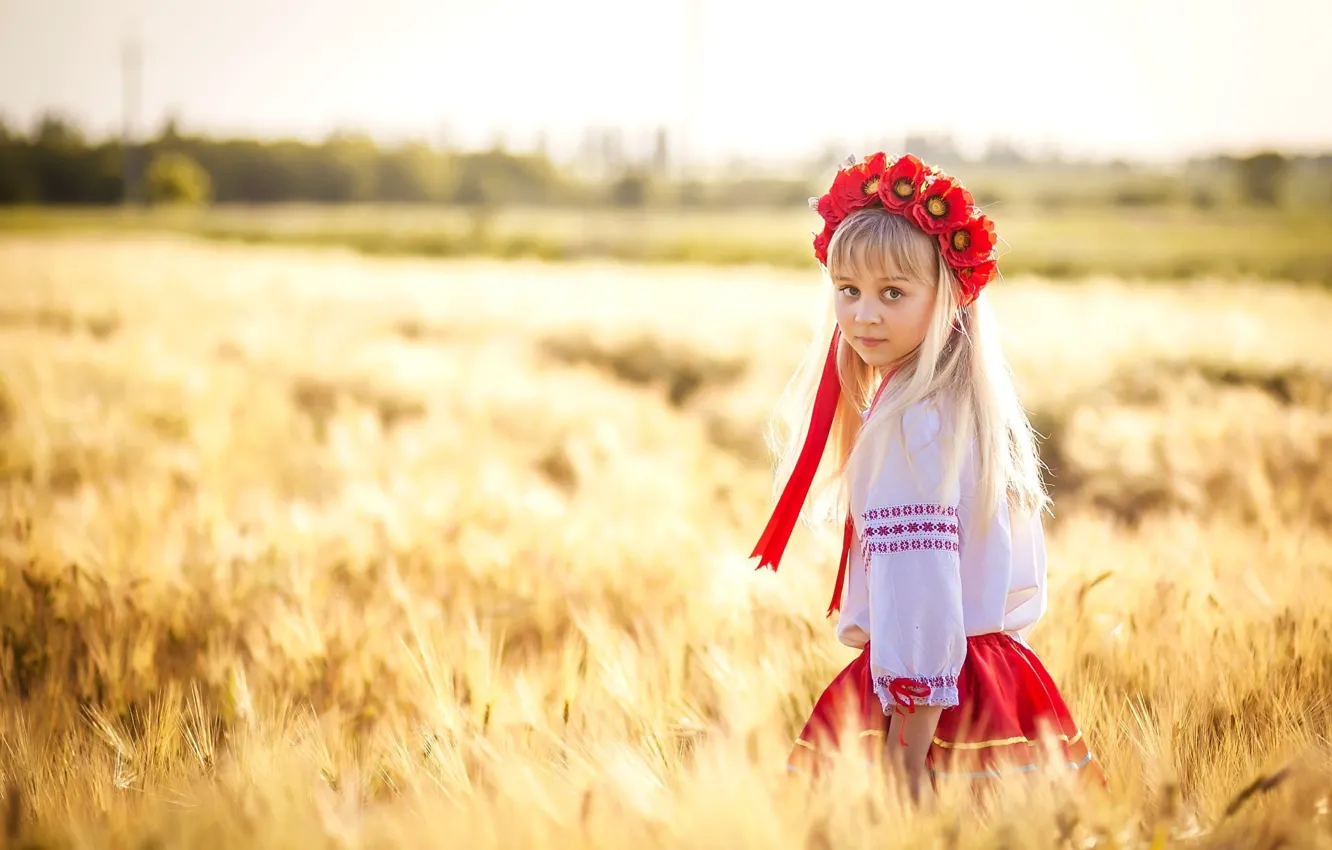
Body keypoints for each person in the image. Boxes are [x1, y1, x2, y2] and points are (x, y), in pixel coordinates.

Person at [749, 152, 1104, 801]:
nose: (864, 315)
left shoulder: (911, 425)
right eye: (848, 290)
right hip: (999, 686)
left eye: (893, 292)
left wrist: (907, 761)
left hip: (924, 712)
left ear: (947, 297)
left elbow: (921, 594)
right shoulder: (960, 408)